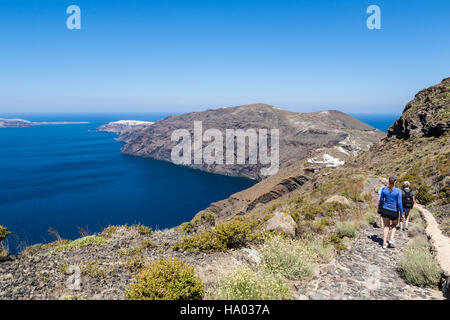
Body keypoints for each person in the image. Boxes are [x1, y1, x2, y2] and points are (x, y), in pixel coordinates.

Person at [378, 176, 404, 249]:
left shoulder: (384, 189)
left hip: (385, 210)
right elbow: (399, 203)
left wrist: (379, 208)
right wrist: (401, 214)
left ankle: (384, 243)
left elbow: (381, 201)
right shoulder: (398, 191)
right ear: (395, 182)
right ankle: (391, 239)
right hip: (394, 211)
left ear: (388, 181)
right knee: (394, 226)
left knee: (386, 226)